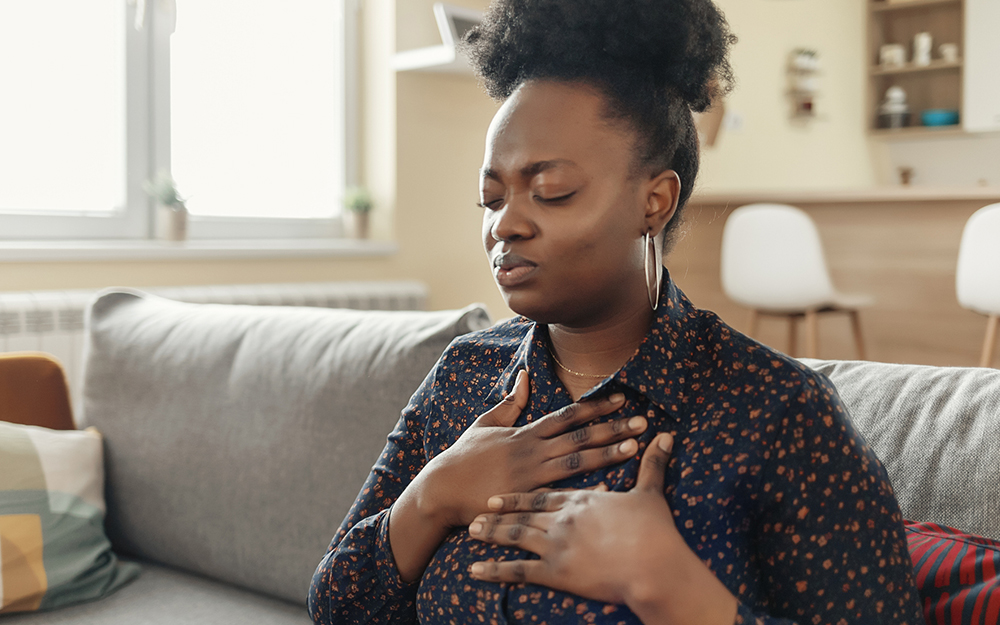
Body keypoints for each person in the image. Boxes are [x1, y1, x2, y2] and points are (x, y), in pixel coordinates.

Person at [308, 1, 924, 623]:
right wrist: (432, 497)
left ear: (654, 201)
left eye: (553, 192)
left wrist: (671, 588)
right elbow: (333, 606)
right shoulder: (465, 378)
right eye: (490, 198)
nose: (505, 224)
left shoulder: (776, 413)